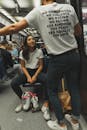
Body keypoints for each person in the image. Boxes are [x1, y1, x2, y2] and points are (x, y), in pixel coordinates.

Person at [0, 0, 82, 130]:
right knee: (74, 88)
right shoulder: (69, 8)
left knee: (51, 89)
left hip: (58, 58)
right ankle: (75, 120)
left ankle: (60, 123)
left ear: (43, 0)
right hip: (74, 55)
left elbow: (13, 28)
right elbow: (78, 32)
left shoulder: (39, 11)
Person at [11, 35, 50, 118]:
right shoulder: (22, 52)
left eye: (33, 39)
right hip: (27, 71)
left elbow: (41, 66)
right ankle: (24, 98)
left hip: (37, 71)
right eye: (29, 39)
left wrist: (35, 76)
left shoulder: (39, 51)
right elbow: (23, 66)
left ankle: (46, 101)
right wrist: (28, 77)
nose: (32, 40)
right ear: (26, 42)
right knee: (13, 83)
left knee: (48, 80)